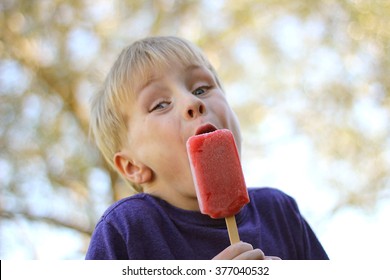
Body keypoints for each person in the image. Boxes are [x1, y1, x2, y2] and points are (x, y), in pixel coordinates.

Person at [86, 36, 329, 260]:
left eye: (201, 89)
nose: (193, 102)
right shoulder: (125, 229)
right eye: (160, 104)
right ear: (132, 166)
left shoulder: (278, 212)